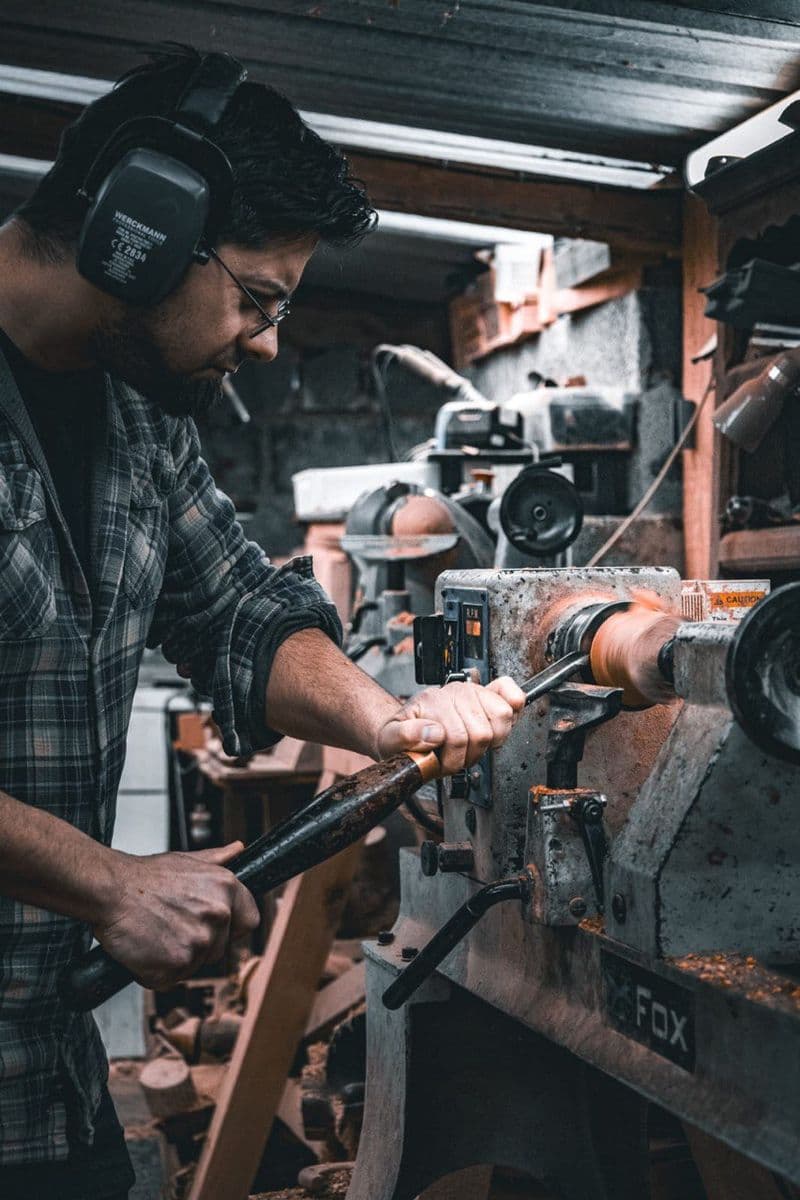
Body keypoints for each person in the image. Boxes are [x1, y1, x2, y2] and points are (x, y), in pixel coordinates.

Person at [0, 45, 525, 1197]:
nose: (268, 342)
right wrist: (106, 883)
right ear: (138, 231)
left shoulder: (139, 411)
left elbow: (237, 606)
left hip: (39, 1078)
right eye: (255, 299)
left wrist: (384, 720)